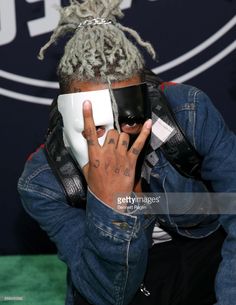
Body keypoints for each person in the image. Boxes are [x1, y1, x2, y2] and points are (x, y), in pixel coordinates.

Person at [17, 1, 236, 305]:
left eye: (129, 116)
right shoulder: (45, 182)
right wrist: (113, 206)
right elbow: (108, 294)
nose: (117, 138)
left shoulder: (188, 115)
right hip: (122, 271)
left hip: (205, 259)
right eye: (93, 125)